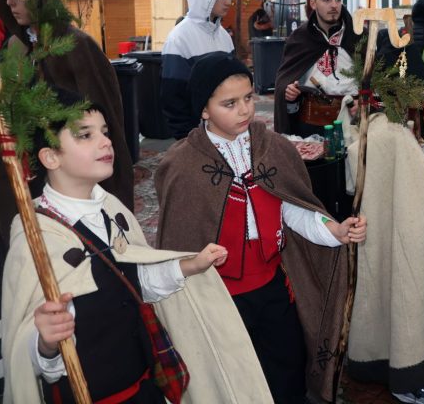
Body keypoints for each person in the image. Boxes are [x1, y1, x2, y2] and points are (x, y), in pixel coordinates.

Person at [2, 89, 274, 403]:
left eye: (104, 132)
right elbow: (26, 354)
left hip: (143, 386)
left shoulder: (113, 209)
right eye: (85, 135)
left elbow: (135, 281)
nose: (106, 141)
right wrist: (44, 344)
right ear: (50, 156)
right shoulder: (35, 238)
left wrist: (189, 265)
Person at [155, 53, 366, 403]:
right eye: (230, 103)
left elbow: (295, 212)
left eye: (249, 98)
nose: (244, 110)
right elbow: (176, 241)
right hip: (218, 299)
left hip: (272, 287)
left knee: (286, 368)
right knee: (234, 377)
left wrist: (335, 231)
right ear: (204, 110)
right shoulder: (182, 165)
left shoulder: (274, 147)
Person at [0, 0, 134, 251]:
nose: (9, 3)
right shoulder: (14, 46)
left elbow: (104, 114)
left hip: (73, 174)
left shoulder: (77, 45)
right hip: (27, 170)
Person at [342, 93, 424, 403]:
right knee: (406, 296)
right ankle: (408, 378)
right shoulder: (395, 133)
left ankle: (373, 363)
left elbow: (354, 182)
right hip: (402, 230)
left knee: (376, 295)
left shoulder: (370, 126)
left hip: (375, 232)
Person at [274, 0, 362, 136]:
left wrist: (365, 101)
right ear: (313, 3)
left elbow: (376, 80)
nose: (334, 5)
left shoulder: (357, 36)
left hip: (351, 121)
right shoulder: (300, 38)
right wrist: (289, 93)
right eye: (326, 0)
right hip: (311, 123)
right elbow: (285, 80)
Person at [161, 0, 235, 139]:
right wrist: (187, 138)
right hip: (196, 133)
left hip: (226, 128)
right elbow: (173, 98)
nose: (228, 2)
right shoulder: (179, 38)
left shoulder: (224, 36)